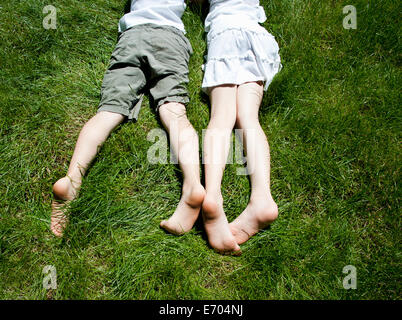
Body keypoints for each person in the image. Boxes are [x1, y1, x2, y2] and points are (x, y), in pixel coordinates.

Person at [51, 0, 205, 237]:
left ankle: (72, 178)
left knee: (109, 111)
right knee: (174, 110)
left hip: (133, 35)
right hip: (170, 38)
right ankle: (193, 184)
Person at [200, 0, 282, 254]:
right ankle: (262, 198)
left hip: (225, 33)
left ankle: (212, 194)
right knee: (248, 118)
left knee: (221, 117)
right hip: (256, 35)